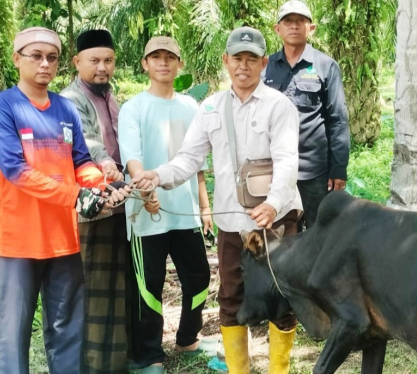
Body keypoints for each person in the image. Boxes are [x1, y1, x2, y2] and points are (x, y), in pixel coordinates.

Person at [131, 27, 303, 374]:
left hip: (277, 219)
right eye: (237, 58)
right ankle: (239, 370)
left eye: (251, 58)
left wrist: (272, 203)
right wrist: (157, 176)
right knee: (230, 298)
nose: (243, 65)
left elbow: (287, 160)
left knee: (282, 297)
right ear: (226, 61)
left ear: (263, 63)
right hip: (231, 224)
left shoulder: (279, 105)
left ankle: (279, 370)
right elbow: (188, 159)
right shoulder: (210, 108)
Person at [0, 27, 128, 374]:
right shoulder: (1, 108)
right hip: (19, 242)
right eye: (36, 56)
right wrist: (78, 196)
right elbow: (16, 172)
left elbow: (80, 163)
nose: (45, 64)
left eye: (52, 57)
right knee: (14, 337)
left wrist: (102, 186)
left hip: (64, 242)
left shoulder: (64, 108)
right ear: (17, 59)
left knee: (67, 333)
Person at [117, 36, 214, 374]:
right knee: (150, 285)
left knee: (199, 277)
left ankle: (188, 338)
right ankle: (149, 355)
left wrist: (205, 206)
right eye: (155, 57)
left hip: (184, 212)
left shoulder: (190, 107)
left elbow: (196, 162)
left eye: (169, 57)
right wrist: (145, 191)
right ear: (145, 64)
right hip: (146, 215)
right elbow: (132, 157)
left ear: (179, 64)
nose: (163, 63)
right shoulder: (134, 108)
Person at [60, 29, 130, 374]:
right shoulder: (71, 99)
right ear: (77, 62)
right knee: (93, 289)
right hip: (92, 207)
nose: (102, 67)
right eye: (95, 61)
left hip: (117, 204)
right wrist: (115, 173)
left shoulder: (110, 96)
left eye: (108, 61)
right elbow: (89, 147)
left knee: (117, 287)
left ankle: (114, 361)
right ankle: (89, 365)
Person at [264, 0, 350, 230]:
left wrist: (338, 168)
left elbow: (337, 120)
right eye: (288, 21)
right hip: (275, 169)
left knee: (319, 232)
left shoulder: (325, 66)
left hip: (314, 170)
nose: (294, 26)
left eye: (300, 21)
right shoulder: (265, 67)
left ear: (311, 29)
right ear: (277, 28)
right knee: (280, 234)